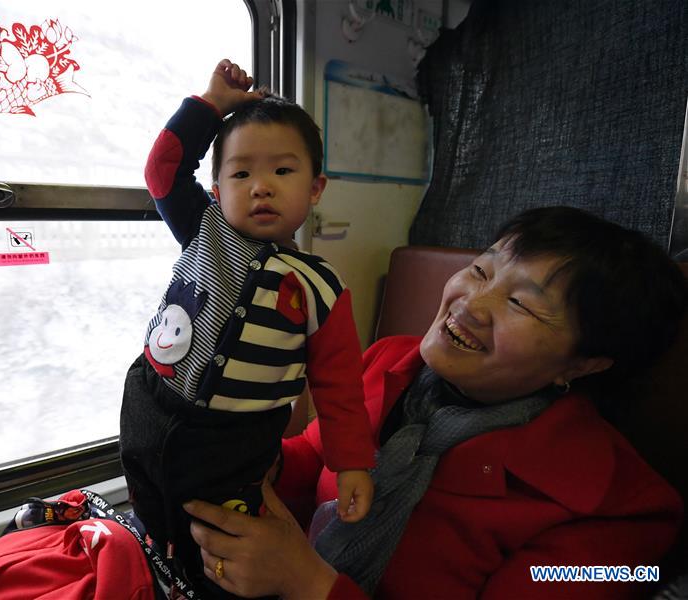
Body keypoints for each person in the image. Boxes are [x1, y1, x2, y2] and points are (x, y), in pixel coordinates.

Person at [183, 206, 688, 598]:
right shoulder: (388, 363)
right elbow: (314, 459)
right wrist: (252, 460)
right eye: (481, 271)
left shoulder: (619, 518)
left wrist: (306, 583)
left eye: (521, 303)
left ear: (584, 364)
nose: (471, 305)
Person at [118, 59, 375, 594]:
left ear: (315, 188)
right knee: (151, 512)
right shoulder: (204, 227)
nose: (261, 187)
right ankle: (157, 567)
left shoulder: (320, 286)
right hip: (150, 402)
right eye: (241, 175)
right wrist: (212, 105)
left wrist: (351, 463)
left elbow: (340, 389)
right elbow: (162, 170)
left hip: (230, 445)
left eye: (282, 172)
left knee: (216, 542)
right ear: (216, 190)